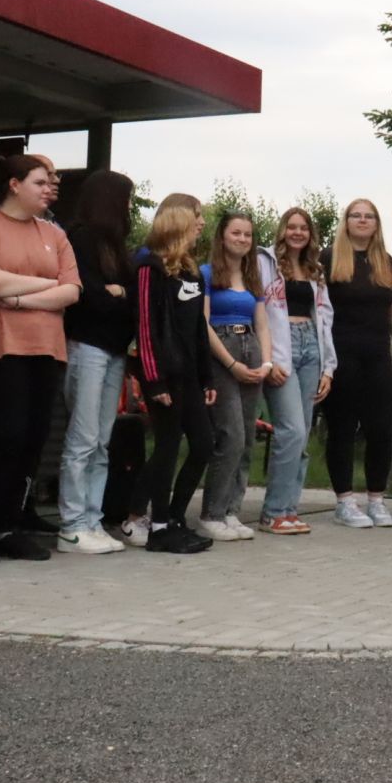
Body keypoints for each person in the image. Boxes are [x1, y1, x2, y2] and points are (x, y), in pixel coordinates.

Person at [0, 154, 81, 565]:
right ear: (14, 184)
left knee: (33, 437)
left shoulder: (55, 233)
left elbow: (72, 291)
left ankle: (10, 526)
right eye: (40, 182)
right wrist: (47, 286)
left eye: (51, 183)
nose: (50, 189)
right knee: (4, 434)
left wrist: (13, 298)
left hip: (47, 347)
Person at [126, 197, 216, 554]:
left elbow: (198, 328)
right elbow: (145, 327)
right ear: (178, 220)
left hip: (191, 374)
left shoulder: (192, 270)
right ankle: (158, 526)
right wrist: (153, 379)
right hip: (162, 376)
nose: (201, 224)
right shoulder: (149, 267)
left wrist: (207, 377)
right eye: (197, 217)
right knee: (167, 447)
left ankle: (176, 517)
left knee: (204, 444)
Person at [55, 169, 135, 555]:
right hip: (87, 347)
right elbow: (87, 294)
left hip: (114, 350)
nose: (131, 207)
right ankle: (71, 524)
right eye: (127, 199)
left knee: (102, 441)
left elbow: (131, 297)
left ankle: (92, 518)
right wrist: (115, 296)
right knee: (83, 439)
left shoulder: (117, 244)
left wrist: (119, 295)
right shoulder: (80, 237)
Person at [322, 198, 392, 529]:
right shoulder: (329, 258)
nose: (362, 220)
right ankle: (344, 501)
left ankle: (376, 500)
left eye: (368, 216)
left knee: (381, 430)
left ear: (376, 223)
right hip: (341, 356)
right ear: (346, 221)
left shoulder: (386, 262)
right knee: (342, 429)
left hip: (377, 356)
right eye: (355, 215)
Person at [256, 207, 335, 535]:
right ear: (283, 230)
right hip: (281, 347)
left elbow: (326, 318)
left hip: (311, 349)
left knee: (301, 434)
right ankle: (272, 511)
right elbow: (259, 311)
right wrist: (268, 359)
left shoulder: (315, 269)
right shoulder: (266, 262)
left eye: (304, 227)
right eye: (292, 226)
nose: (298, 232)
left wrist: (328, 367)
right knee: (290, 430)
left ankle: (289, 509)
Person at [198, 212, 271, 542]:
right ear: (222, 236)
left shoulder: (253, 277)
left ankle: (232, 511)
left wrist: (266, 363)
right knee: (231, 436)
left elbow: (263, 324)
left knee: (247, 441)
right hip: (222, 353)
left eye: (247, 235)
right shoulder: (207, 273)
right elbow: (204, 323)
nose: (242, 239)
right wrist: (230, 364)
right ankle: (211, 513)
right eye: (236, 233)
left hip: (251, 349)